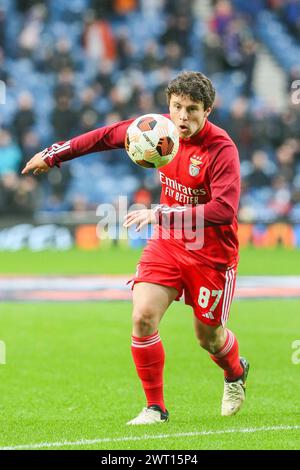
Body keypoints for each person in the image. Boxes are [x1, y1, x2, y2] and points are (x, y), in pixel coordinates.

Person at [22, 71, 249, 425]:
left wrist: (159, 212)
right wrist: (53, 155)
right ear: (168, 105)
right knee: (142, 316)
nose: (183, 117)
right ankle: (155, 407)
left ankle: (235, 372)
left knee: (209, 338)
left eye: (192, 109)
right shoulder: (154, 128)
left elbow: (224, 210)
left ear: (208, 110)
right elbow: (103, 137)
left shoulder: (221, 149)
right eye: (177, 107)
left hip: (211, 253)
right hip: (169, 242)